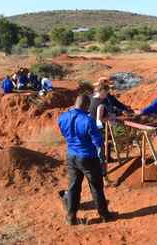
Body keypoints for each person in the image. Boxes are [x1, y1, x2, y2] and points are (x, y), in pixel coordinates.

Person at [58, 94, 116, 225]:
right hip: (88, 157)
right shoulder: (87, 120)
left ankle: (71, 217)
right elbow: (98, 141)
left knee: (73, 187)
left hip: (71, 156)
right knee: (96, 187)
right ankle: (104, 215)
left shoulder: (62, 117)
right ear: (86, 106)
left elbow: (64, 133)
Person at [88, 84, 114, 185]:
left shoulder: (91, 98)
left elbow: (90, 114)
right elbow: (99, 119)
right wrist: (110, 118)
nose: (107, 95)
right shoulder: (101, 103)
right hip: (97, 131)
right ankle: (104, 179)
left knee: (93, 154)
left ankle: (94, 176)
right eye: (106, 93)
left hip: (89, 129)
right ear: (102, 91)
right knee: (100, 155)